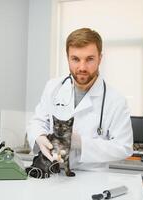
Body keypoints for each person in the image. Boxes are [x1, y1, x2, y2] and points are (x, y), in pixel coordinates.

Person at [27, 28, 133, 170]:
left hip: (93, 180)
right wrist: (39, 136)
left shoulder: (116, 100)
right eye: (75, 59)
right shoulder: (53, 87)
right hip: (55, 176)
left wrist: (81, 143)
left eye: (89, 59)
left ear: (100, 58)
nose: (82, 67)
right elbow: (38, 121)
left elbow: (124, 147)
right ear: (68, 58)